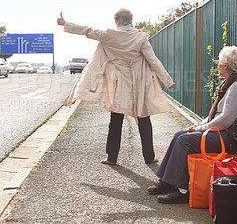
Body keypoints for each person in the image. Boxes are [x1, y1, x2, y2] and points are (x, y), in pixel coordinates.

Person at [57, 9, 175, 165]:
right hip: (138, 84)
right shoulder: (140, 37)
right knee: (144, 120)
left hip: (119, 85)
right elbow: (153, 61)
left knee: (116, 120)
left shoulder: (109, 35)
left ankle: (111, 157)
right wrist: (168, 81)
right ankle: (149, 157)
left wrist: (66, 24)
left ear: (116, 21)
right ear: (131, 20)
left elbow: (88, 30)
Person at [147, 46, 237, 204]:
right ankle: (167, 182)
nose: (217, 64)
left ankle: (181, 190)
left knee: (185, 141)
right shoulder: (231, 83)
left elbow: (225, 120)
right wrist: (196, 125)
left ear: (226, 66)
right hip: (227, 133)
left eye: (219, 62)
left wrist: (199, 129)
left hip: (233, 138)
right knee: (180, 134)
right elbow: (216, 116)